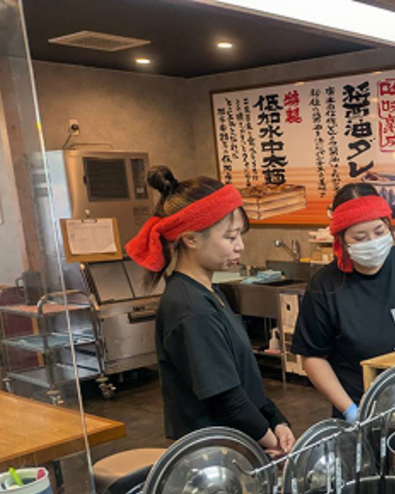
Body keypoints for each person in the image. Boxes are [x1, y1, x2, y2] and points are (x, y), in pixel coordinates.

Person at [126, 166, 294, 456]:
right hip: (213, 455)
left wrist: (276, 419)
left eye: (240, 235)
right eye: (230, 237)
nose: (240, 246)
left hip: (236, 442)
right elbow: (225, 399)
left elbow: (243, 381)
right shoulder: (190, 309)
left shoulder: (210, 293)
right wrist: (271, 442)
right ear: (190, 239)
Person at [292, 183, 395, 421]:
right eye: (360, 237)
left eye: (379, 232)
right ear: (342, 240)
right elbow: (312, 358)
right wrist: (350, 410)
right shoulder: (325, 285)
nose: (372, 241)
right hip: (361, 409)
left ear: (389, 226)